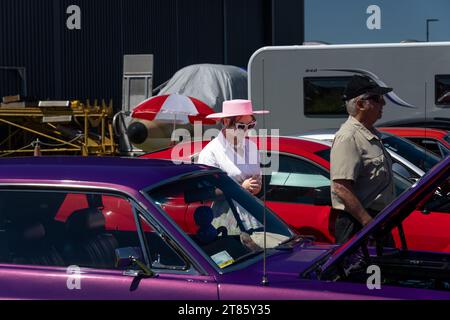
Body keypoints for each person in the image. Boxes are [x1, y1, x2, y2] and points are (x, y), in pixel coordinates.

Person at [330, 75, 396, 244]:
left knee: (382, 269)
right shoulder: (348, 137)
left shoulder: (370, 134)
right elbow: (341, 187)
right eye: (377, 98)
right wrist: (368, 222)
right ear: (360, 104)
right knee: (366, 271)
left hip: (374, 222)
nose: (383, 103)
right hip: (359, 225)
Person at [197, 99, 269, 234]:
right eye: (241, 126)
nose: (247, 131)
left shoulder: (251, 146)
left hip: (254, 217)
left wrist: (257, 186)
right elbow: (205, 193)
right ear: (225, 122)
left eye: (251, 125)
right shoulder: (210, 152)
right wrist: (241, 188)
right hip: (226, 222)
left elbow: (256, 181)